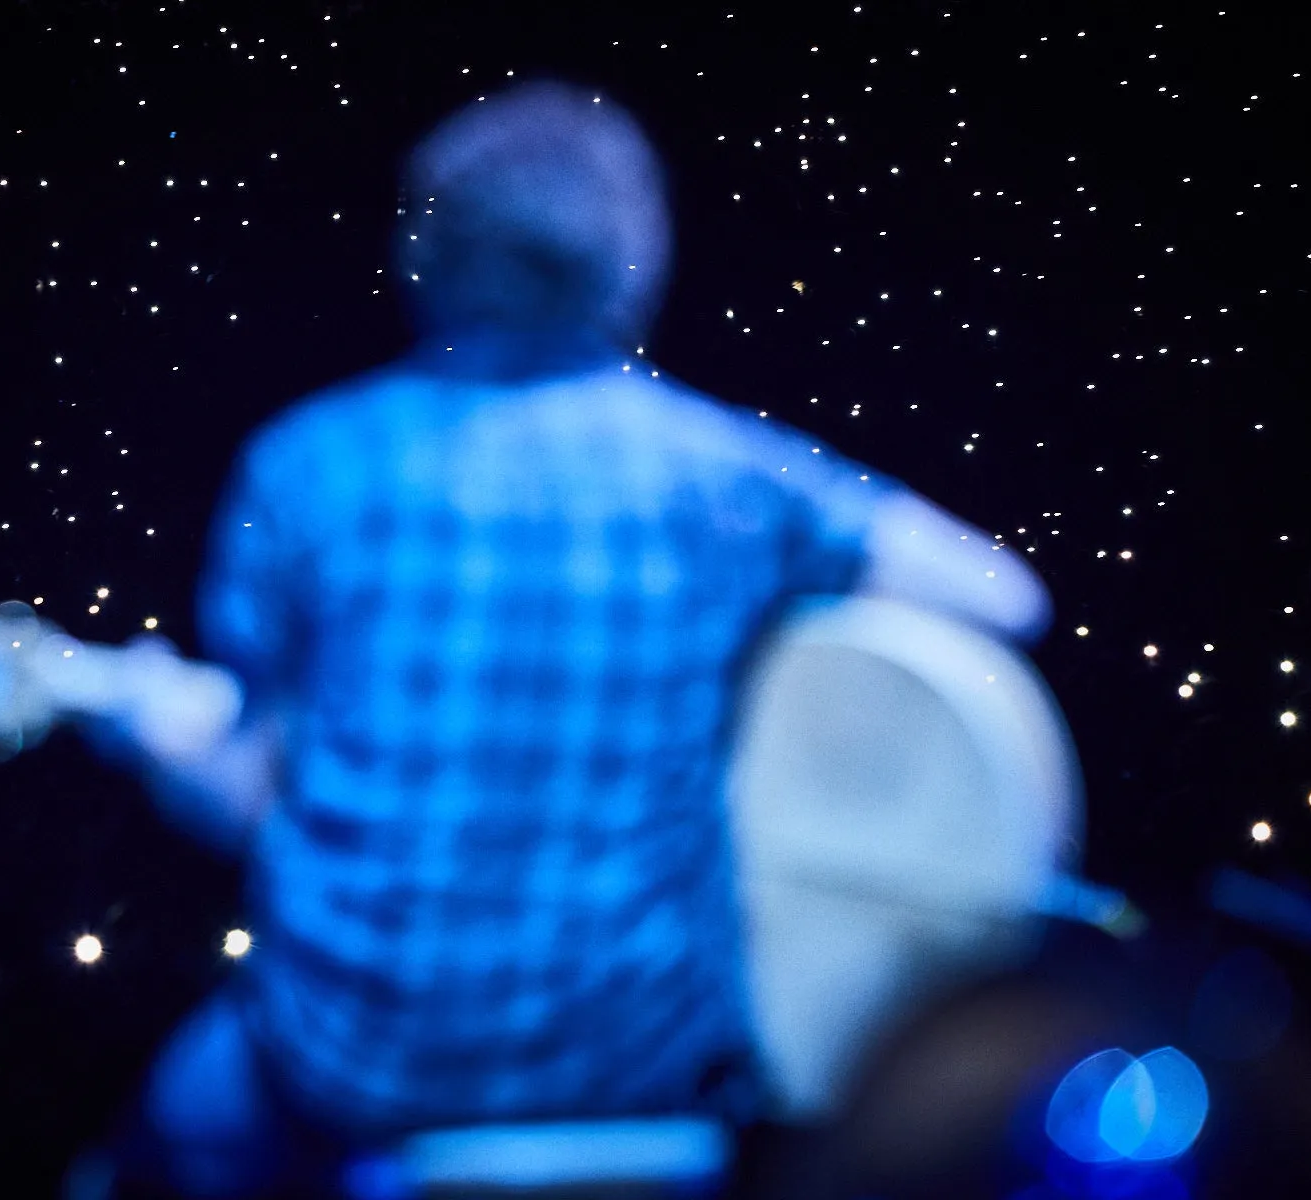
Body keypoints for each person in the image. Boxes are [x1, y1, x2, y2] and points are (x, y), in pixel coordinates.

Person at [65, 77, 1053, 1198]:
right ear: (633, 262)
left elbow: (264, 800)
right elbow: (1002, 597)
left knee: (152, 1149)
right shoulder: (730, 474)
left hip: (354, 1078)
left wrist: (154, 736)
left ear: (423, 255)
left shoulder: (305, 465)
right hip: (645, 1078)